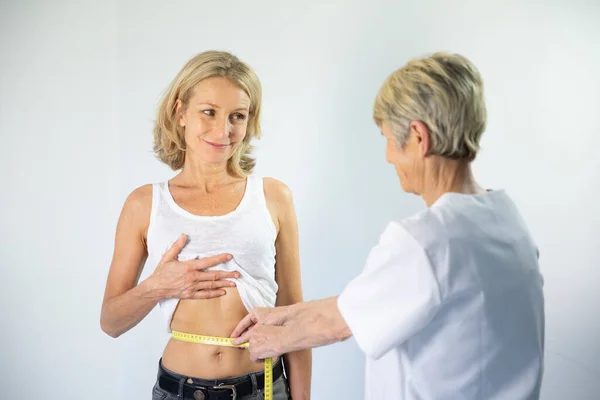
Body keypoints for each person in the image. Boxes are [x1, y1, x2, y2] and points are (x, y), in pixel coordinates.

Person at [231, 52, 545, 400]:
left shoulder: (425, 239)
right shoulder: (506, 220)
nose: (388, 156)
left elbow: (337, 324)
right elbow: (362, 302)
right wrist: (282, 314)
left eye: (388, 139)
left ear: (418, 137)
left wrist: (270, 339)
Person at [100, 50, 311, 400]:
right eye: (208, 112)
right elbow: (111, 322)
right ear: (180, 112)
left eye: (237, 116)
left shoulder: (274, 197)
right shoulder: (145, 204)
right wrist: (157, 287)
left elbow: (293, 312)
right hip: (179, 390)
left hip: (261, 388)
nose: (223, 130)